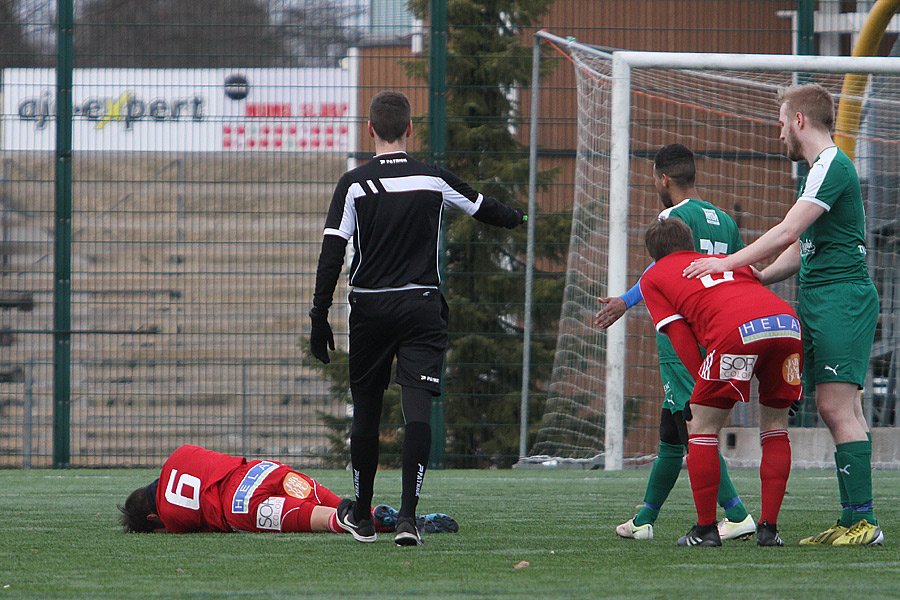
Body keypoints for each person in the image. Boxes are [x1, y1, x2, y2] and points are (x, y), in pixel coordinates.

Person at [309, 90, 525, 546]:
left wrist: (319, 314)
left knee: (366, 409)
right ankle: (407, 517)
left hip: (368, 308)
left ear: (370, 130)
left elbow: (332, 253)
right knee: (418, 409)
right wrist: (520, 218)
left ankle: (364, 517)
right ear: (410, 129)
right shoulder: (432, 177)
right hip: (422, 306)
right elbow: (487, 209)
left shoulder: (353, 183)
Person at [683, 83, 883, 546]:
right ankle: (854, 517)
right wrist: (758, 277)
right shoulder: (818, 171)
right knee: (841, 409)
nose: (778, 136)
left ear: (798, 121)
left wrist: (725, 263)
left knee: (836, 408)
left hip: (841, 297)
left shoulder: (832, 164)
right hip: (820, 296)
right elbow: (800, 246)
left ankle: (864, 522)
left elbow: (788, 229)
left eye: (779, 124)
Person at [595, 143, 755, 542]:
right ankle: (644, 519)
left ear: (663, 179)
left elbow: (660, 272)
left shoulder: (671, 217)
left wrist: (624, 302)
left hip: (682, 331)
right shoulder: (723, 221)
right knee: (672, 431)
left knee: (693, 429)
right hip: (719, 330)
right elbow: (739, 273)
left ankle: (736, 514)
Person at [640, 217, 801, 546]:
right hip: (787, 323)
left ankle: (705, 530)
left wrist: (700, 380)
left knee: (701, 426)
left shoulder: (653, 276)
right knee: (774, 426)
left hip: (736, 332)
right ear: (690, 243)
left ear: (653, 254)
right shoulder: (723, 263)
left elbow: (679, 334)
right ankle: (769, 530)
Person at [118, 444, 459, 536]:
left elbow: (191, 519)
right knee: (343, 505)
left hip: (241, 507)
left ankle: (363, 519)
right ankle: (403, 520)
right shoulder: (181, 454)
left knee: (331, 521)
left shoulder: (171, 518)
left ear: (152, 516)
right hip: (261, 471)